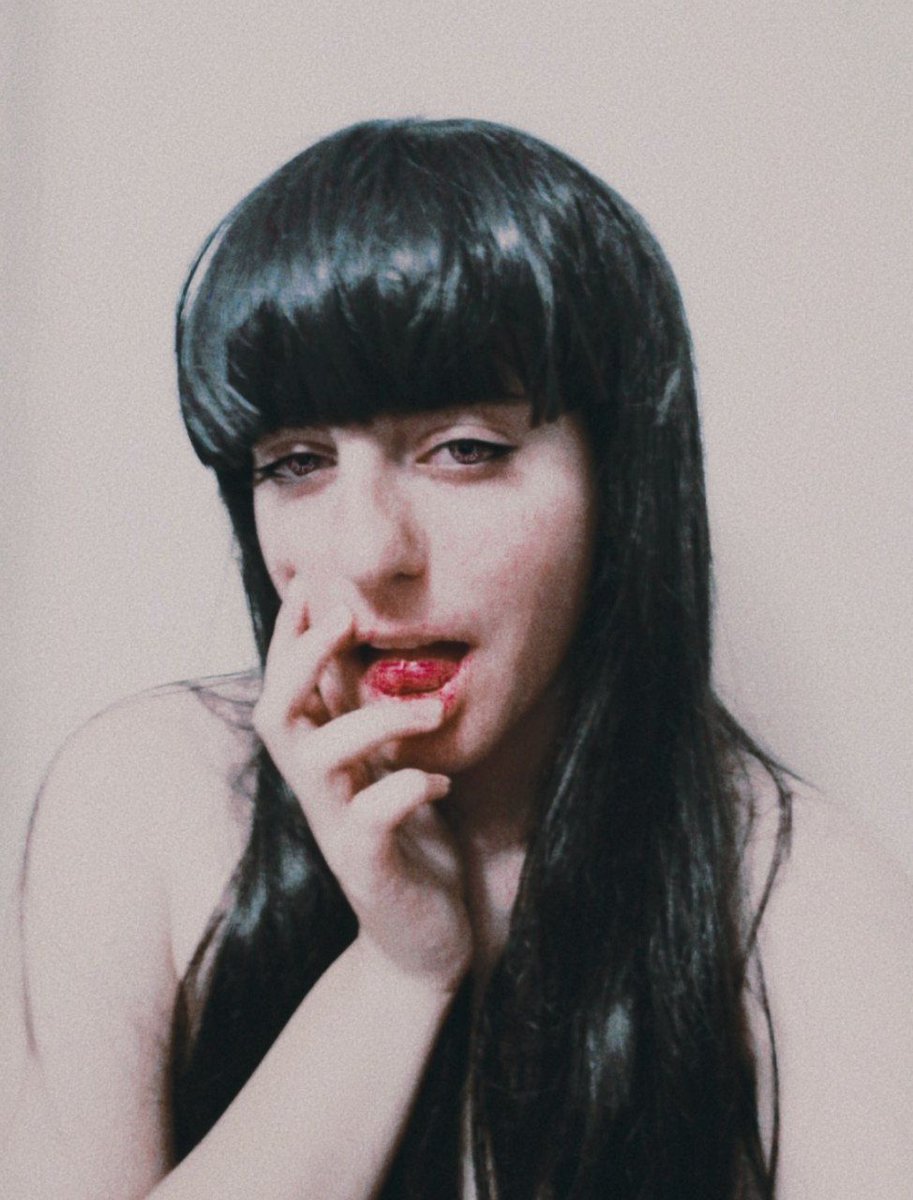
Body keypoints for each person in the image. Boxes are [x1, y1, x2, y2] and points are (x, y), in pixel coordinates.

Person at [4, 118, 911, 1200]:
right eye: (294, 463)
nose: (369, 552)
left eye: (464, 451)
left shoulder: (800, 903)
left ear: (621, 481)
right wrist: (394, 976)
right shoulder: (146, 805)